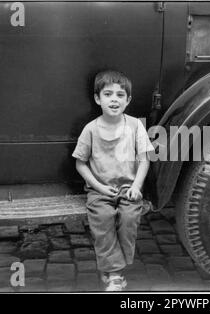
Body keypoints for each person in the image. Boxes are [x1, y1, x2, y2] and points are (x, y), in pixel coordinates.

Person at [72, 70, 154, 291]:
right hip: (100, 190)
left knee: (128, 218)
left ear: (128, 100)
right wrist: (98, 187)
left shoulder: (135, 126)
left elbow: (144, 159)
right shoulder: (90, 129)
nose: (114, 99)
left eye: (120, 95)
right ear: (98, 99)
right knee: (103, 219)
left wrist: (137, 187)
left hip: (128, 188)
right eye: (108, 94)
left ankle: (116, 265)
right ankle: (115, 274)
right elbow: (80, 163)